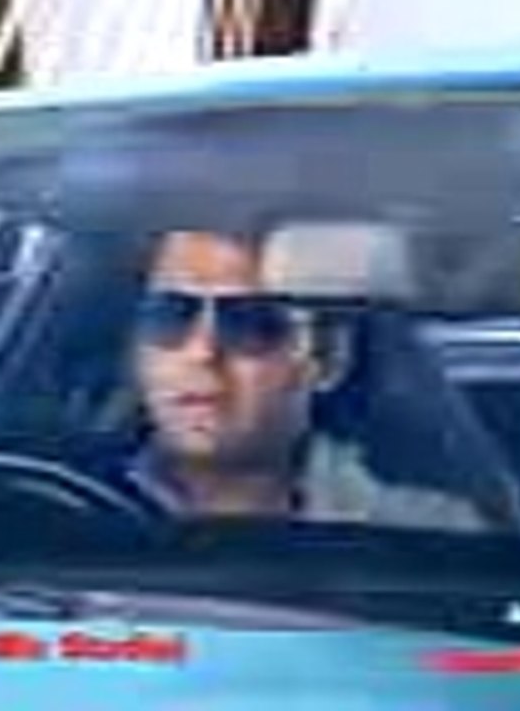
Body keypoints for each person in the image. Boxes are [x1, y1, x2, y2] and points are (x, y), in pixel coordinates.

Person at [126, 224, 494, 531]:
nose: (201, 352)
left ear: (328, 359)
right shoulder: (92, 520)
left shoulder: (426, 532)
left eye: (249, 323)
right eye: (170, 315)